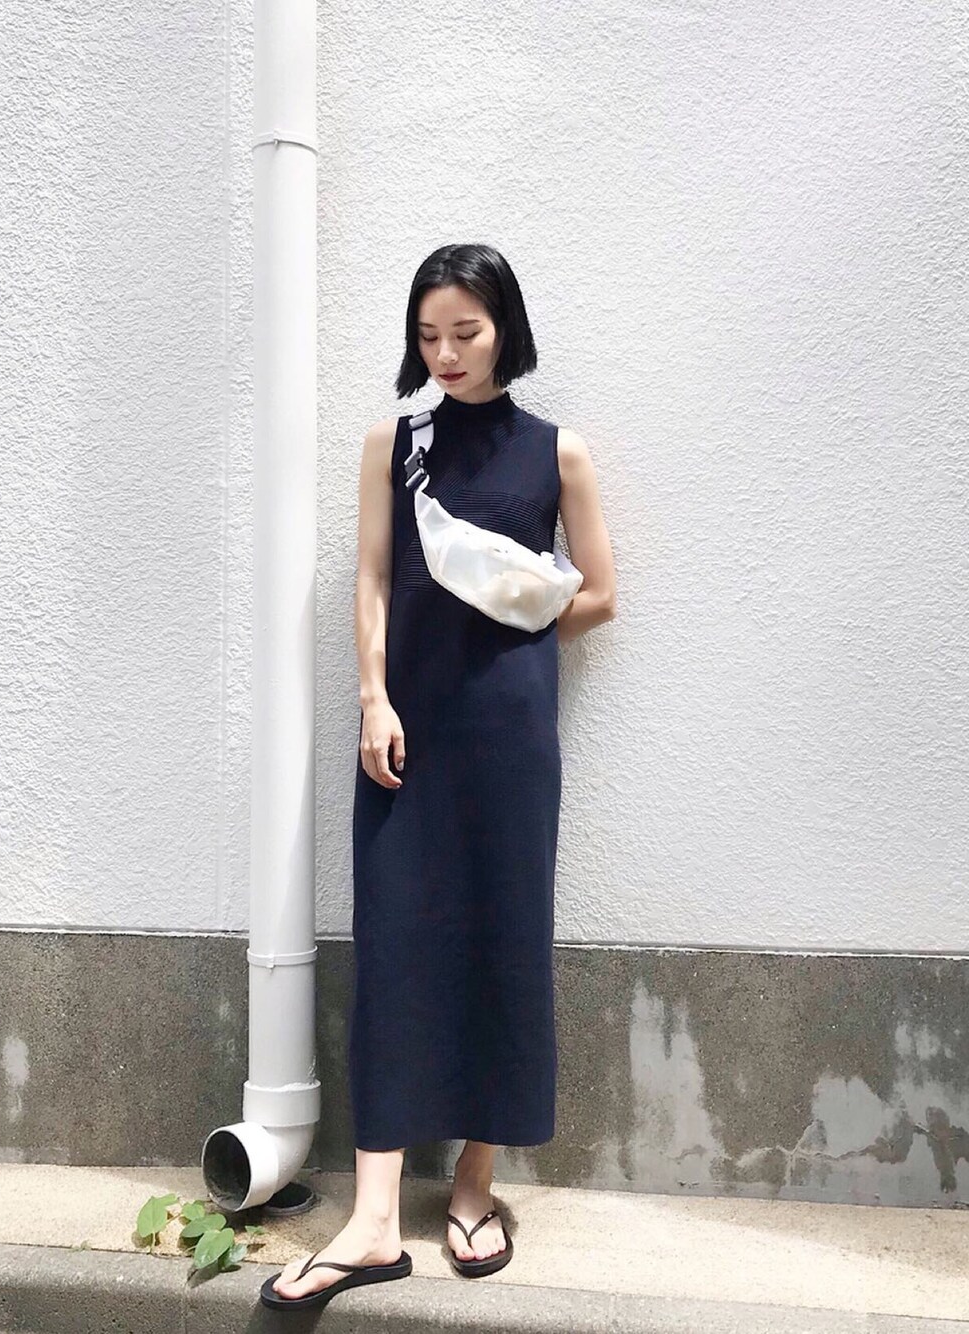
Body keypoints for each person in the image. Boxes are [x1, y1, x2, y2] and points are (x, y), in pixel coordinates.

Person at [269, 244, 617, 1308]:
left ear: (505, 326)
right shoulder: (396, 443)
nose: (447, 353)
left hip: (509, 737)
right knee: (395, 947)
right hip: (406, 735)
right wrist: (373, 695)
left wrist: (517, 623)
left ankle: (474, 1182)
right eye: (428, 336)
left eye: (465, 332)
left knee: (504, 936)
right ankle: (375, 1220)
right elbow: (373, 577)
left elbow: (600, 595)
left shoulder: (558, 454)